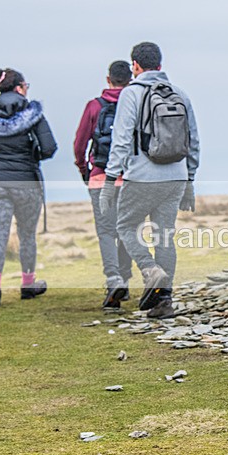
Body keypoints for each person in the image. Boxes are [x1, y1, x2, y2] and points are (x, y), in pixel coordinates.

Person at [100, 42, 200, 319]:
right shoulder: (180, 93)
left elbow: (120, 141)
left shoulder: (132, 94)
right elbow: (194, 141)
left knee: (125, 225)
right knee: (164, 235)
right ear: (160, 63)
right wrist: (190, 178)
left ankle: (150, 270)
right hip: (176, 177)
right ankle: (163, 301)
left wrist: (110, 178)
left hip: (143, 176)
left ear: (135, 65)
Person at [0, 68, 57, 307]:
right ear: (19, 87)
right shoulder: (33, 113)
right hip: (26, 181)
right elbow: (49, 147)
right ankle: (28, 285)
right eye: (26, 84)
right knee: (27, 234)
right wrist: (32, 157)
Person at [74, 60, 134, 309]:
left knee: (106, 232)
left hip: (100, 178)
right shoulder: (135, 103)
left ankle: (114, 280)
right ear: (130, 80)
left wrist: (84, 170)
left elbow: (80, 143)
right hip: (131, 178)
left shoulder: (94, 106)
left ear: (108, 79)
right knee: (127, 231)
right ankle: (125, 281)